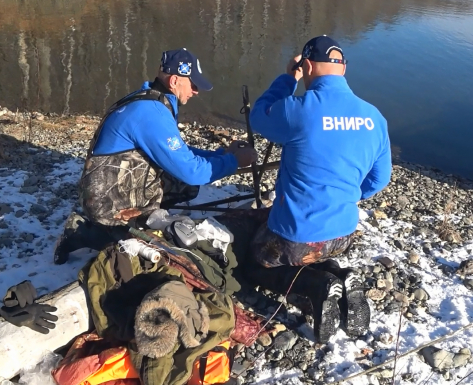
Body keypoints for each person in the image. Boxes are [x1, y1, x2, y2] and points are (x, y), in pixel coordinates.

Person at [245, 35, 392, 342]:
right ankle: (342, 277)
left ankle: (316, 287)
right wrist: (350, 194)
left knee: (255, 262)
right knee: (315, 253)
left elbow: (259, 115)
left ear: (308, 65)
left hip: (295, 238)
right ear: (343, 69)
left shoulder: (299, 109)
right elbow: (379, 179)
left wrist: (289, 77)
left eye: (304, 68)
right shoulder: (374, 118)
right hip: (342, 236)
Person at [54, 48, 256, 264]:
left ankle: (144, 218)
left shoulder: (152, 100)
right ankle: (83, 232)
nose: (196, 91)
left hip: (115, 184)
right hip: (104, 200)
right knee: (141, 248)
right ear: (175, 81)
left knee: (182, 185)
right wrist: (235, 161)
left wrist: (221, 154)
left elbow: (177, 152)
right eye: (193, 84)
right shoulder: (151, 114)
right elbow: (192, 171)